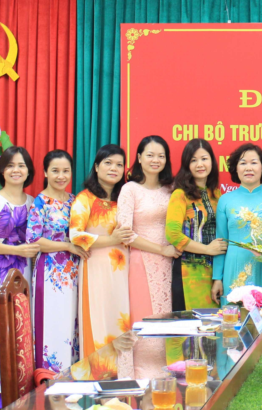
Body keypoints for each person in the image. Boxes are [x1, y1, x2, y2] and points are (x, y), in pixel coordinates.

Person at [0, 146, 38, 409]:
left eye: (21, 165)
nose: (16, 170)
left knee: (24, 328)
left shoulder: (34, 202)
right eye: (11, 165)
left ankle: (24, 390)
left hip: (26, 273)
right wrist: (17, 250)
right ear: (1, 170)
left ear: (29, 171)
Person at [70, 144, 134, 357]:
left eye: (119, 165)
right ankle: (98, 372)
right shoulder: (85, 198)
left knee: (121, 317)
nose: (114, 168)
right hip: (95, 268)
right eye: (108, 163)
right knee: (98, 320)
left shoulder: (124, 199)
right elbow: (75, 235)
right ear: (96, 167)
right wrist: (112, 239)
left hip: (124, 270)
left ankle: (122, 372)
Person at [27, 149, 85, 373]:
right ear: (45, 172)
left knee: (72, 323)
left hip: (74, 270)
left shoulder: (74, 201)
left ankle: (72, 376)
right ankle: (49, 377)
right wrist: (67, 246)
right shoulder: (40, 202)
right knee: (53, 323)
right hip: (50, 272)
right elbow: (34, 240)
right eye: (55, 171)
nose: (61, 176)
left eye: (66, 171)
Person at [117, 136, 181, 320]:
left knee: (170, 316)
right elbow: (126, 235)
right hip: (141, 261)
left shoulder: (172, 189)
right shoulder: (130, 190)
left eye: (161, 156)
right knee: (145, 317)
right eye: (150, 155)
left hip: (172, 260)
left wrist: (170, 250)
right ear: (139, 157)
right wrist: (162, 250)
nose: (156, 160)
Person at [211, 143, 262, 301]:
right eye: (243, 163)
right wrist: (217, 278)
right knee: (234, 314)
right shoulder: (225, 200)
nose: (248, 168)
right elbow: (221, 242)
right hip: (234, 269)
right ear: (236, 168)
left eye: (254, 163)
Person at [166, 139, 227, 310]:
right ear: (187, 165)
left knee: (214, 323)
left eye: (204, 159)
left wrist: (219, 276)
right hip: (188, 272)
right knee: (191, 323)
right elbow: (173, 234)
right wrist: (207, 249)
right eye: (194, 160)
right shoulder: (180, 195)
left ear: (212, 162)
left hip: (215, 273)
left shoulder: (217, 194)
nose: (200, 164)